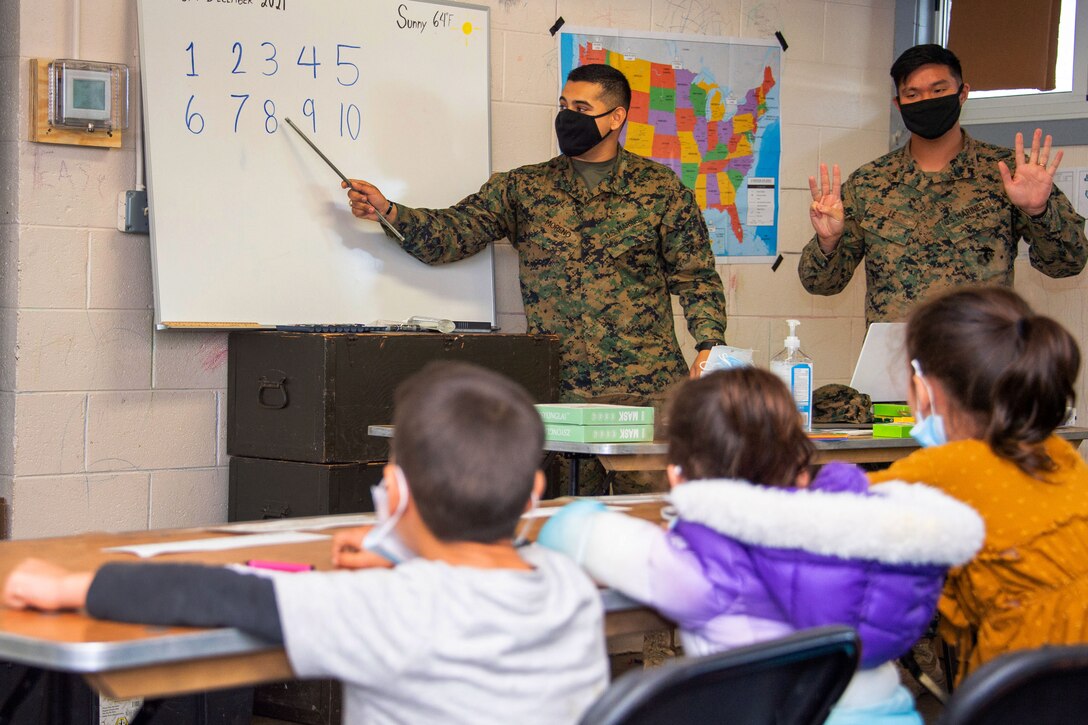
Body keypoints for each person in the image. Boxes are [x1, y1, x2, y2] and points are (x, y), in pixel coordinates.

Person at [1, 362, 609, 725]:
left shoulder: (390, 609)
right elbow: (481, 568)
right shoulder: (567, 587)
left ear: (392, 493)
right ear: (533, 493)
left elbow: (227, 595)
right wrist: (397, 555)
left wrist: (74, 583)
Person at [537, 367, 983, 723]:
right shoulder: (865, 528)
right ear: (801, 462)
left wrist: (581, 514)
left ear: (677, 473)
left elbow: (576, 530)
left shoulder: (704, 564)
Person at [343, 63, 728, 410]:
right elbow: (453, 233)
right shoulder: (524, 187)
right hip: (556, 388)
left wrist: (710, 344)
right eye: (563, 105)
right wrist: (390, 211)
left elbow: (696, 276)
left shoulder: (659, 189)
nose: (567, 118)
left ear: (616, 118)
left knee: (648, 492)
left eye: (582, 109)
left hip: (645, 388)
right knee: (557, 492)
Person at [869, 286, 1088, 683]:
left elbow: (829, 517)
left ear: (923, 387)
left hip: (1021, 694)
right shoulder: (1058, 452)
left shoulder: (950, 467)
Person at [800, 43, 1087, 324]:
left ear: (962, 93)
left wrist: (1039, 211)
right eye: (912, 94)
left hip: (983, 357)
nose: (927, 100)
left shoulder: (1007, 173)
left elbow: (1068, 264)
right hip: (897, 359)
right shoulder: (869, 182)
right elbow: (821, 285)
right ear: (898, 104)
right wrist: (828, 243)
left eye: (939, 90)